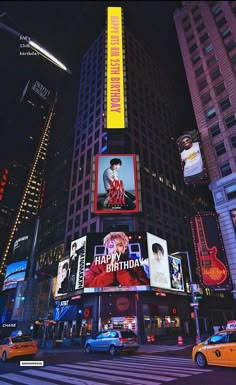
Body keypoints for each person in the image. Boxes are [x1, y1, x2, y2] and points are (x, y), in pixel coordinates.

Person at [84, 232, 149, 287]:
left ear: (125, 247)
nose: (115, 250)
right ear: (107, 248)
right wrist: (110, 269)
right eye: (111, 246)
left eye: (119, 245)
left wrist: (120, 270)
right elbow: (89, 285)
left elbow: (143, 287)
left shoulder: (134, 264)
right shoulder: (98, 263)